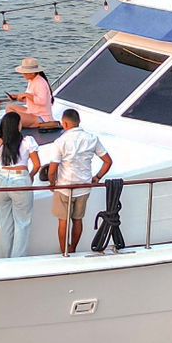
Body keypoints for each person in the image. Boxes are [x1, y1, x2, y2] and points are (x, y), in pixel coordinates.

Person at [42, 107, 112, 255]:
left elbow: (53, 169)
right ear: (78, 122)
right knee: (78, 220)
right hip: (84, 186)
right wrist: (97, 177)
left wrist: (52, 183)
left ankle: (64, 251)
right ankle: (73, 248)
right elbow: (107, 162)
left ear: (65, 124)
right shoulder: (92, 138)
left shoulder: (60, 142)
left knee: (63, 221)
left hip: (64, 186)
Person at [0, 112, 41, 257]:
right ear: (17, 125)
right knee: (22, 222)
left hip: (1, 181)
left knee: (5, 223)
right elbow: (37, 165)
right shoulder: (27, 141)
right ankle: (17, 258)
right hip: (20, 180)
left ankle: (6, 257)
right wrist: (30, 176)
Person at [7, 57, 54, 126]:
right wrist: (17, 97)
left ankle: (17, 130)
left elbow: (42, 101)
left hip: (41, 117)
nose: (23, 75)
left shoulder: (40, 83)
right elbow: (31, 99)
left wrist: (26, 95)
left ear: (32, 73)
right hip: (32, 112)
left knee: (12, 117)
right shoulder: (31, 81)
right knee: (9, 107)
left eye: (25, 73)